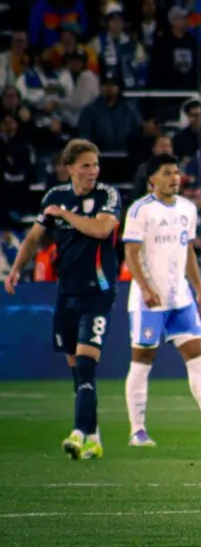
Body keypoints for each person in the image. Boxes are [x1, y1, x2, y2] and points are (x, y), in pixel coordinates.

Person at [3, 139, 121, 460]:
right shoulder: (54, 197)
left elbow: (101, 230)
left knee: (85, 364)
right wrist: (15, 269)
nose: (92, 171)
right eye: (85, 165)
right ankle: (94, 437)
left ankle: (79, 432)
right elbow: (33, 238)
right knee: (77, 371)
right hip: (67, 294)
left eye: (95, 165)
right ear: (69, 168)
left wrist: (66, 217)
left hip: (98, 293)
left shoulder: (107, 196)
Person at [121, 154, 201, 448]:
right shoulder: (141, 210)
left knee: (198, 356)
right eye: (167, 173)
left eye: (177, 173)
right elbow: (131, 253)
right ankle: (137, 430)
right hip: (147, 300)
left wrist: (199, 290)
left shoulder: (187, 209)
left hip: (180, 297)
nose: (175, 178)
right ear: (152, 179)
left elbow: (187, 251)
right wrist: (144, 287)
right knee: (142, 361)